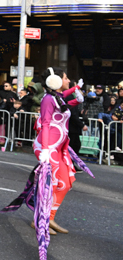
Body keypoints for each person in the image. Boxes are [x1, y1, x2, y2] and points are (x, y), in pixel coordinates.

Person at [33, 67, 76, 234]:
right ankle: (41, 219)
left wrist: (77, 93)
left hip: (59, 147)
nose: (68, 80)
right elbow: (45, 124)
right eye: (65, 78)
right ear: (55, 81)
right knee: (51, 184)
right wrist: (44, 150)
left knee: (65, 183)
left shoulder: (57, 98)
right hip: (48, 146)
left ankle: (49, 218)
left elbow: (66, 103)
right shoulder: (48, 99)